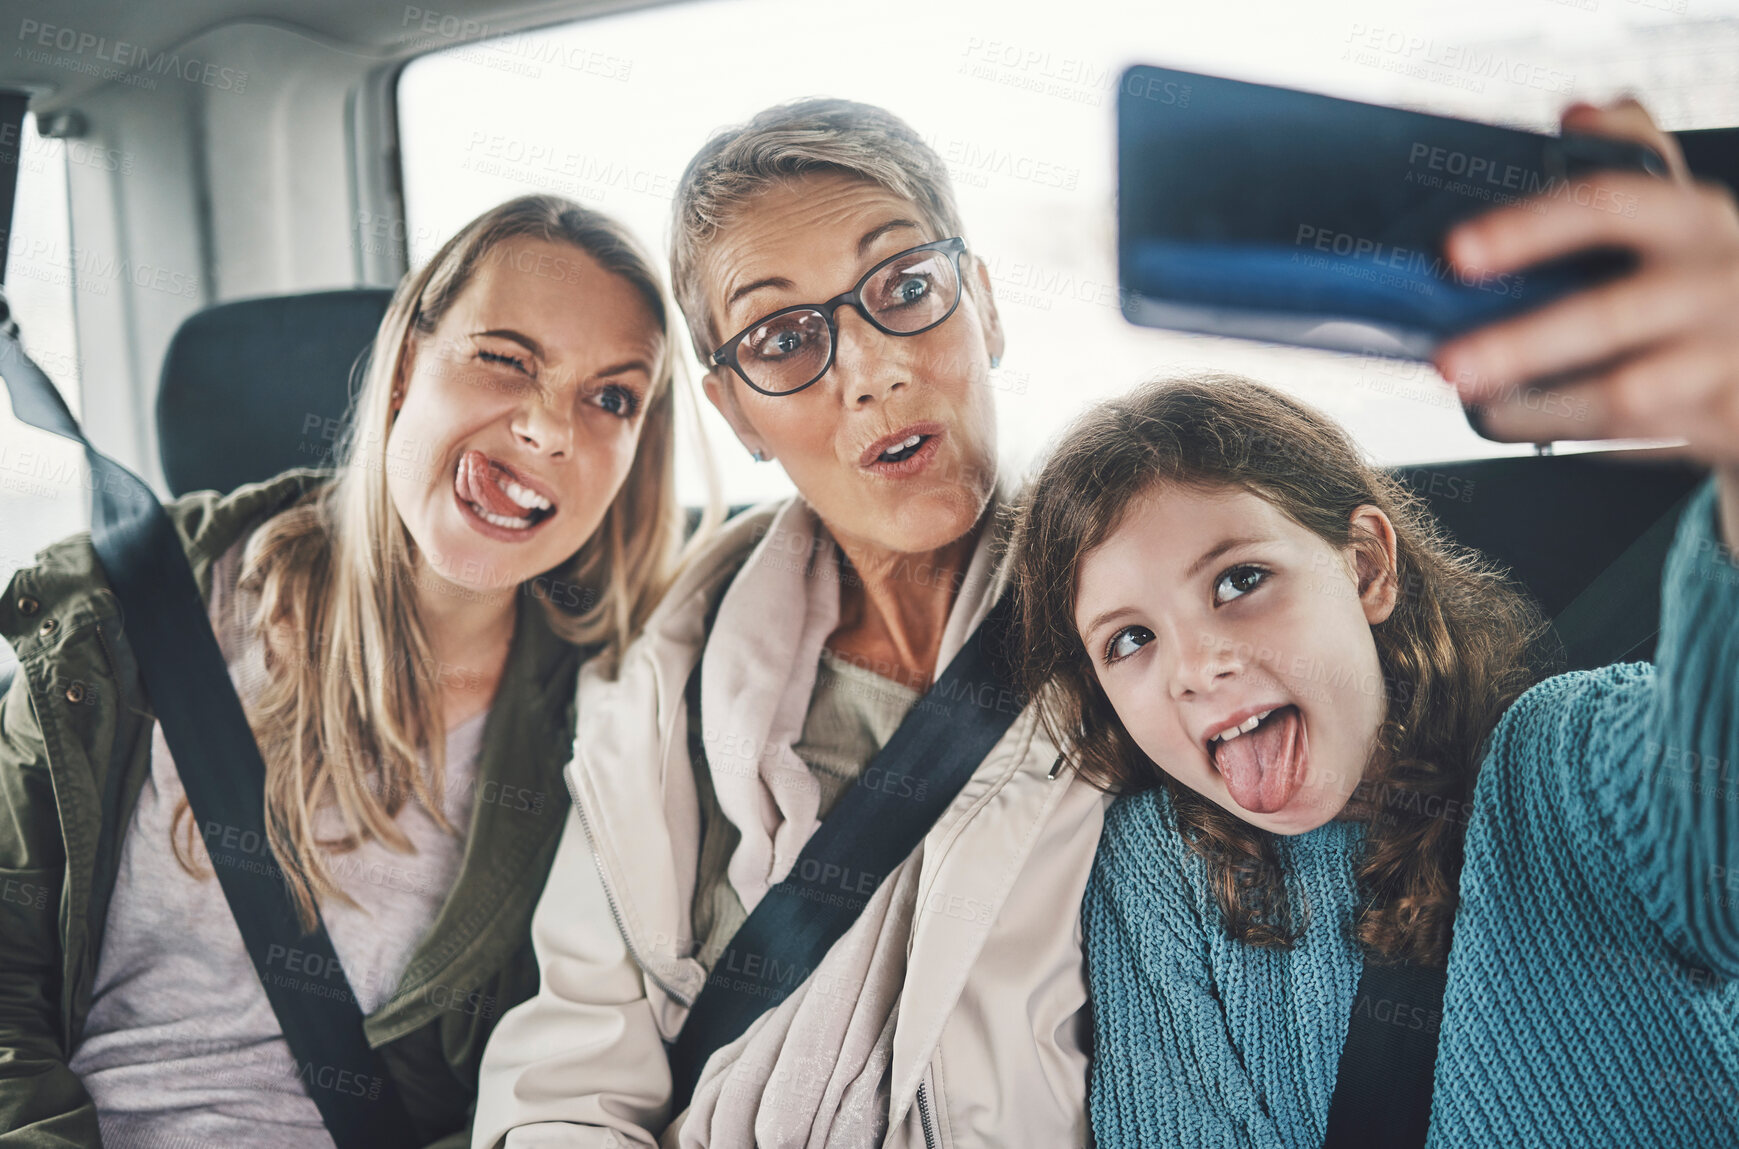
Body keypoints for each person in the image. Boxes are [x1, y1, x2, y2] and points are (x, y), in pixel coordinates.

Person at [1010, 104, 1739, 1146]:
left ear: (1365, 566)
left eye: (1237, 579)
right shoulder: (1162, 869)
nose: (1195, 665)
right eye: (1128, 640)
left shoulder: (1564, 761)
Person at [472, 100, 1108, 1148]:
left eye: (906, 288)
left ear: (984, 305)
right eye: (780, 338)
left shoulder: (1141, 630)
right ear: (734, 412)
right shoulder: (659, 705)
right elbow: (568, 1089)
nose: (870, 372)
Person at [0, 194, 690, 1148]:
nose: (549, 428)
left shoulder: (615, 725)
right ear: (408, 364)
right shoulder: (128, 615)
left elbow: (564, 1080)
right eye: (505, 359)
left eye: (611, 396)